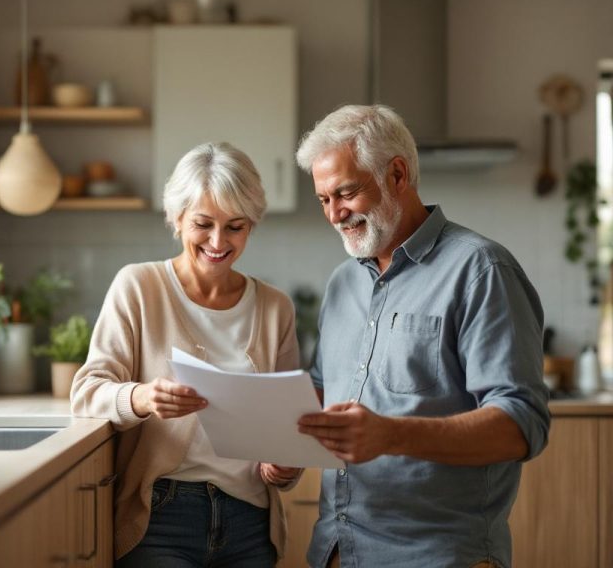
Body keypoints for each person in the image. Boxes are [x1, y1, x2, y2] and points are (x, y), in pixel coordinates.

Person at [294, 105, 551, 568]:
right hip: (335, 552)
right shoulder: (341, 283)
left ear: (397, 174)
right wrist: (280, 442)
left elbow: (520, 424)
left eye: (346, 192)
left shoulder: (480, 270)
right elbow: (320, 390)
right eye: (323, 199)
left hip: (436, 557)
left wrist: (390, 434)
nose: (334, 214)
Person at [70, 141, 301, 568]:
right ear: (176, 219)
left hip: (250, 520)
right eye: (203, 223)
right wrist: (142, 397)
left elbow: (287, 427)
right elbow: (86, 392)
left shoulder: (275, 307)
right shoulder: (138, 287)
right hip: (161, 514)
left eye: (235, 226)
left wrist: (285, 466)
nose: (218, 241)